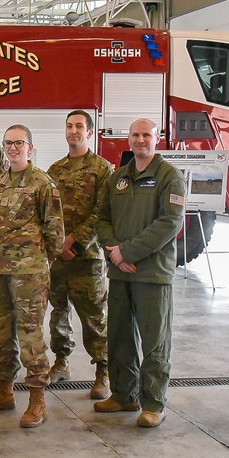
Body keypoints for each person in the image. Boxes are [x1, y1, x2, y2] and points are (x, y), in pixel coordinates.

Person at [93, 118, 186, 428]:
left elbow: (169, 223)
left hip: (152, 273)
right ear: (128, 139)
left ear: (157, 138)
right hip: (120, 272)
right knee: (119, 338)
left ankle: (154, 403)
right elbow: (101, 218)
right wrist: (114, 251)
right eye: (135, 135)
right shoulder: (118, 178)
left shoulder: (169, 177)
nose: (140, 140)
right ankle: (124, 395)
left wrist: (128, 252)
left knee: (155, 341)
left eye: (147, 134)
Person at [0, 125, 64, 428]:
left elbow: (55, 230)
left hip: (29, 273)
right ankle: (4, 390)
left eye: (19, 143)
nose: (13, 148)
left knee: (30, 334)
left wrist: (41, 263)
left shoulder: (41, 182)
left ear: (30, 147)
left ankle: (37, 398)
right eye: (8, 143)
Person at [46, 110, 114, 400]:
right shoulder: (55, 169)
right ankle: (61, 362)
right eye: (69, 126)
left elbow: (102, 212)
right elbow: (47, 211)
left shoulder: (103, 169)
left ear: (89, 132)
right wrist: (56, 244)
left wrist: (74, 241)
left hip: (87, 258)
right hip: (58, 258)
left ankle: (102, 370)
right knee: (58, 311)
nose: (74, 131)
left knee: (93, 316)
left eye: (79, 127)